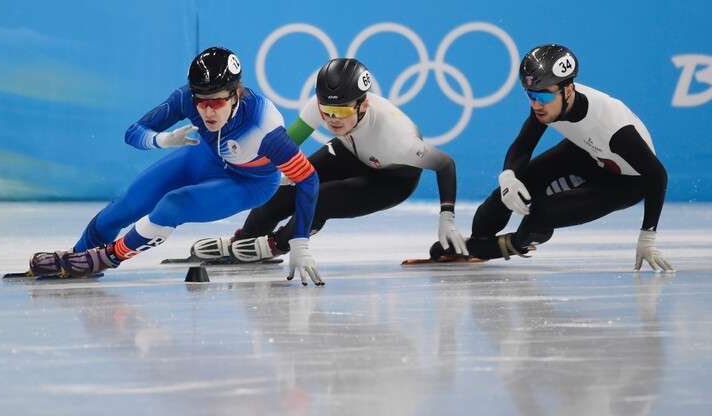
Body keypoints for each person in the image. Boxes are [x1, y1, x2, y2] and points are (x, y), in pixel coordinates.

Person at [27, 46, 323, 285]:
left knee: (171, 206)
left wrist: (300, 242)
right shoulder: (186, 98)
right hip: (205, 156)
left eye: (217, 102)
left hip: (250, 182)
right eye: (201, 101)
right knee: (123, 208)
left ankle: (108, 257)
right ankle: (78, 256)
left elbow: (308, 180)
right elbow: (134, 132)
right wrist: (164, 140)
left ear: (236, 95)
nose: (207, 110)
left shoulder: (265, 130)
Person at [189, 58, 467, 265]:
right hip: (350, 151)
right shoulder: (321, 107)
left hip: (392, 179)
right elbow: (283, 148)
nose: (333, 119)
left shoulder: (398, 140)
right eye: (327, 110)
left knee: (320, 197)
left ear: (364, 105)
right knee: (286, 184)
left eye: (342, 110)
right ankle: (246, 237)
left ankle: (276, 244)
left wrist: (447, 219)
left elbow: (446, 163)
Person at [432, 44, 673, 272]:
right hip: (587, 152)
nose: (536, 103)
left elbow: (657, 175)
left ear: (569, 90)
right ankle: (478, 239)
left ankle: (505, 246)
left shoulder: (614, 129)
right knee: (511, 191)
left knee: (541, 215)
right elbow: (524, 144)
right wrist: (508, 178)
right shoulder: (547, 100)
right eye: (530, 94)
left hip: (626, 182)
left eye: (544, 96)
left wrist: (648, 237)